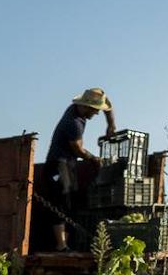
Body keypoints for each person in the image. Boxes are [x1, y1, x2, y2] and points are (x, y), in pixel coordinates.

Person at [44, 88, 117, 251]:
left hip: (68, 163)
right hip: (58, 164)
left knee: (70, 203)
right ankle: (61, 246)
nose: (97, 114)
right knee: (61, 202)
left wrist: (111, 125)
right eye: (95, 110)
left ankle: (65, 245)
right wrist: (93, 158)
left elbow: (108, 105)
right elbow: (77, 149)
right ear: (87, 107)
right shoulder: (73, 123)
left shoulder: (77, 110)